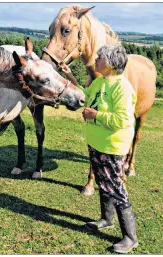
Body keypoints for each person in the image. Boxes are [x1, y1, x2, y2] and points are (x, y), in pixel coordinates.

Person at [61, 44, 138, 253]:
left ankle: (130, 237)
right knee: (104, 183)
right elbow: (86, 95)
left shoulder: (121, 87)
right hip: (96, 142)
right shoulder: (101, 82)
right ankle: (106, 219)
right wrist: (71, 78)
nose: (96, 60)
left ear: (111, 64)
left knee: (115, 187)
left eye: (100, 58)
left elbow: (122, 120)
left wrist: (95, 116)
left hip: (112, 146)